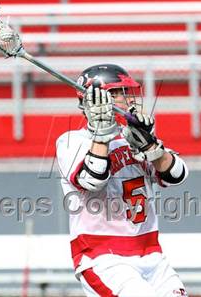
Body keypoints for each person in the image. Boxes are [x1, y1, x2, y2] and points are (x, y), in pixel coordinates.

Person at [56, 64, 189, 297]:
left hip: (150, 252)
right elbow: (92, 179)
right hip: (103, 256)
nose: (126, 99)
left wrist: (150, 145)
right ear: (93, 100)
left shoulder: (132, 135)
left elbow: (177, 174)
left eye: (125, 92)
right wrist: (101, 135)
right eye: (116, 93)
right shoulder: (71, 141)